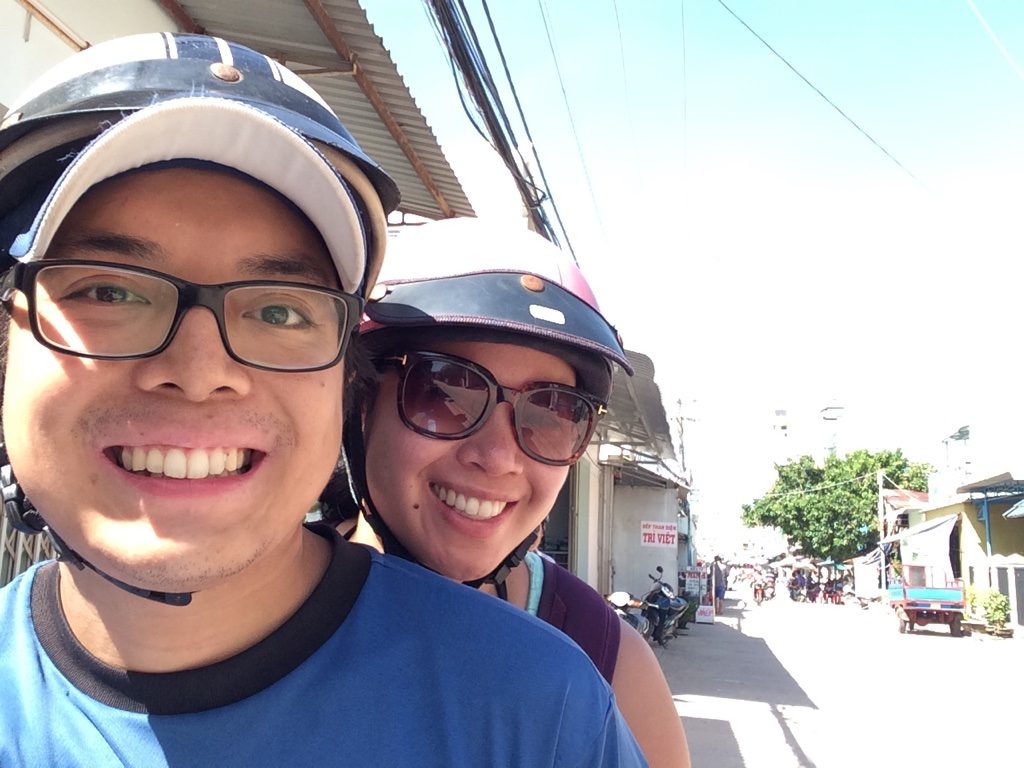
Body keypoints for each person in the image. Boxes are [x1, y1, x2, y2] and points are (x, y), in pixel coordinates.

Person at [0, 33, 646, 766]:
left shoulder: (541, 710)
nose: (198, 366)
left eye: (281, 310)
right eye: (108, 291)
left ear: (342, 379)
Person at [339, 217, 690, 767]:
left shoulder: (605, 661)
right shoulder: (241, 611)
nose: (498, 456)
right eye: (442, 390)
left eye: (552, 413)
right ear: (361, 405)